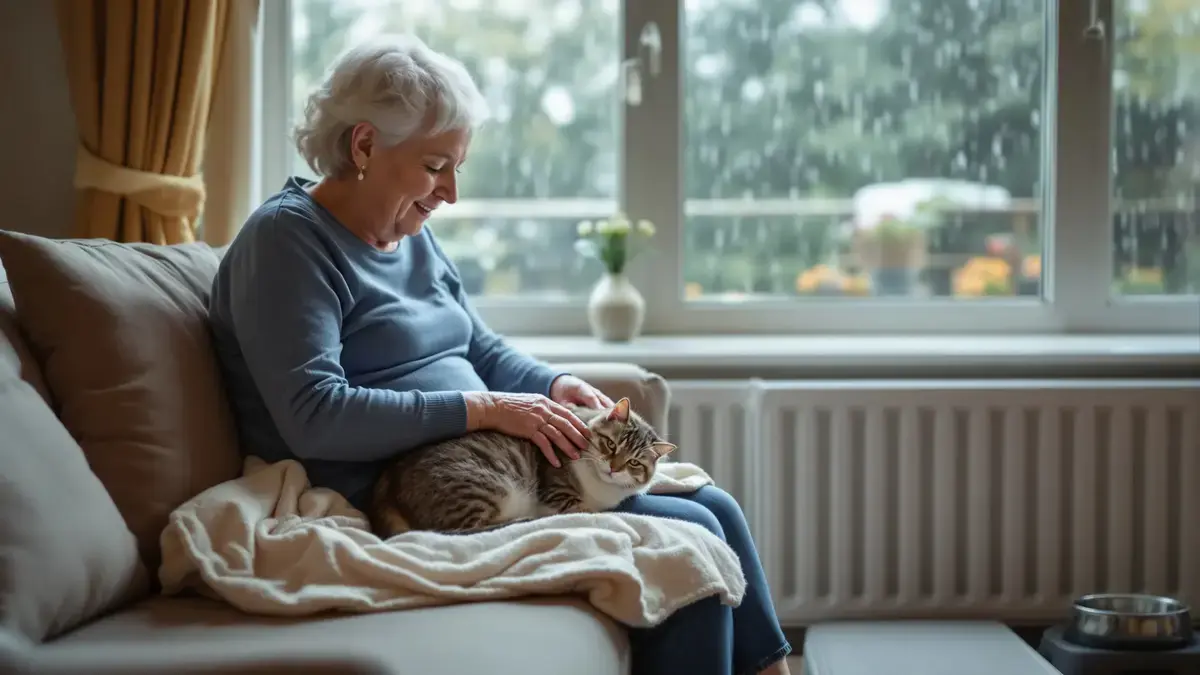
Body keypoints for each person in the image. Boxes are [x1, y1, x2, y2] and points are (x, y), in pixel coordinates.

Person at [207, 34, 791, 675]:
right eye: (436, 166)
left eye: (458, 167)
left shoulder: (410, 235)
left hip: (476, 458)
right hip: (400, 487)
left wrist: (555, 383)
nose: (451, 192)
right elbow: (314, 413)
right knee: (688, 546)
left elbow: (478, 345)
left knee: (717, 509)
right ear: (365, 145)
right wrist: (484, 412)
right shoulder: (287, 242)